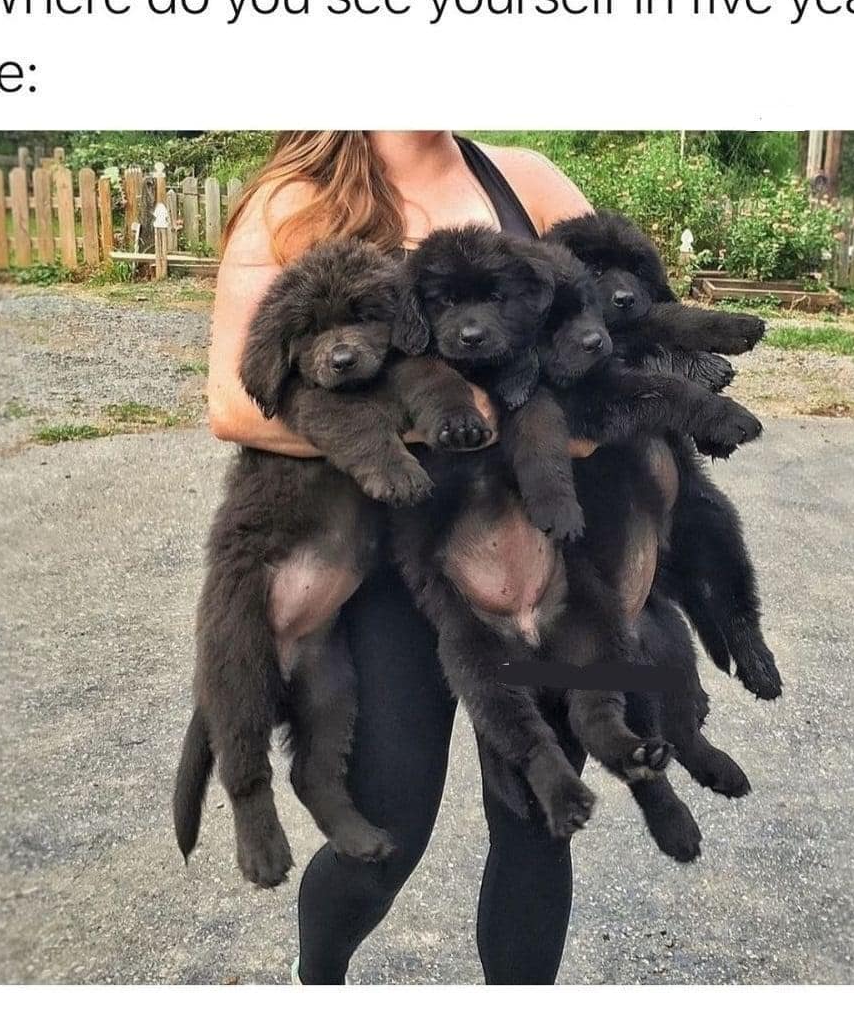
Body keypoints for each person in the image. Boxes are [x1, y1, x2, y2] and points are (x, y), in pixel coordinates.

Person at [208, 131, 598, 985]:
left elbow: (607, 313)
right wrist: (439, 423)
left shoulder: (526, 180)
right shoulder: (294, 200)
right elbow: (235, 404)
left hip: (527, 555)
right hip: (394, 567)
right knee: (386, 831)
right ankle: (317, 980)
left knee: (538, 820)